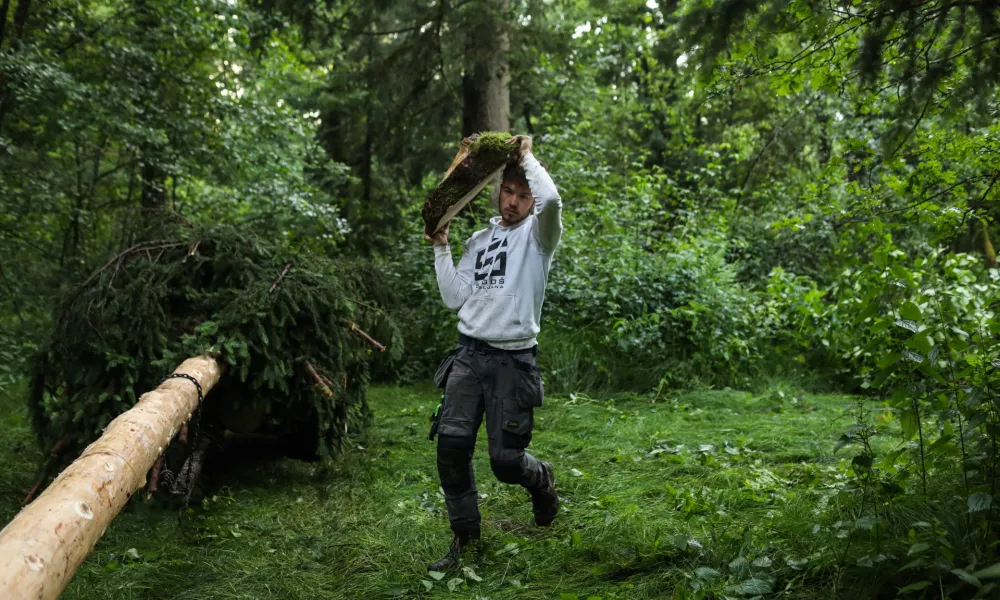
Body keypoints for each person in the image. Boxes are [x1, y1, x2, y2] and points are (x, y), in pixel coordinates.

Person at [424, 134, 563, 571]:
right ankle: (465, 538)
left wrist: (524, 156)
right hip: (468, 355)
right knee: (451, 447)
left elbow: (553, 202)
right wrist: (442, 246)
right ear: (498, 189)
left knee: (505, 462)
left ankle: (540, 479)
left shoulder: (540, 239)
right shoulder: (481, 239)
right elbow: (454, 296)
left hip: (512, 361)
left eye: (524, 195)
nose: (514, 201)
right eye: (509, 190)